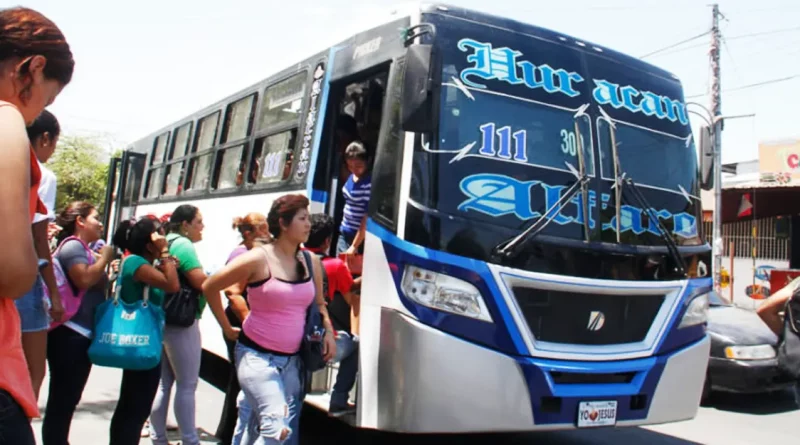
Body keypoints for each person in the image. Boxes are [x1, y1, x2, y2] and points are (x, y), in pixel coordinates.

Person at [203, 194, 336, 445]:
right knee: (277, 425)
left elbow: (319, 304)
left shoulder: (311, 261)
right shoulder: (257, 258)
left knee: (261, 429)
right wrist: (226, 326)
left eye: (308, 218)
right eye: (302, 218)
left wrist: (328, 332)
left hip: (293, 363)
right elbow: (211, 286)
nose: (309, 224)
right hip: (257, 359)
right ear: (283, 224)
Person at [0, 6, 74, 444]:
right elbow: (11, 273)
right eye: (44, 101)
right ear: (31, 68)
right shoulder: (7, 120)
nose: (34, 117)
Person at [42, 202, 114, 445]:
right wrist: (104, 259)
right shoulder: (73, 246)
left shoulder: (82, 248)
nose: (101, 223)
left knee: (66, 399)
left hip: (77, 333)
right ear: (80, 221)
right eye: (96, 217)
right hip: (70, 333)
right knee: (63, 399)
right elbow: (83, 279)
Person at [110, 217, 180, 445]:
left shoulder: (142, 263)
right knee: (135, 407)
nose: (163, 237)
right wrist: (165, 253)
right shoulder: (136, 263)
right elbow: (172, 285)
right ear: (149, 243)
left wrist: (165, 262)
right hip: (140, 344)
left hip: (145, 341)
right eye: (158, 234)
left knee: (132, 405)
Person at [16, 110, 66, 402]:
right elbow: (39, 240)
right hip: (23, 276)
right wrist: (55, 296)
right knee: (33, 370)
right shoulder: (41, 175)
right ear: (44, 138)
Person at [149, 204, 207, 445]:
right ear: (185, 225)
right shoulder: (182, 244)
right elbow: (198, 280)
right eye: (198, 222)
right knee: (187, 384)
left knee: (164, 383)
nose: (202, 227)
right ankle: (189, 440)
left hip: (162, 318)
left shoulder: (165, 242)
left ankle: (158, 437)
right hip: (181, 322)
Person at [217, 212, 270, 445]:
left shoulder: (251, 253)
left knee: (240, 380)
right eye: (263, 228)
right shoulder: (241, 255)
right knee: (240, 381)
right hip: (240, 319)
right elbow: (231, 292)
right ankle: (229, 435)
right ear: (249, 233)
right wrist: (248, 321)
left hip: (244, 319)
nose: (268, 233)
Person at [305, 213, 361, 416]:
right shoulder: (335, 265)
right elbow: (350, 296)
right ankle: (339, 400)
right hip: (319, 341)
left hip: (290, 337)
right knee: (357, 345)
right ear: (328, 240)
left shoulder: (292, 258)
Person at [338, 141, 371, 258]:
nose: (354, 170)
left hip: (357, 238)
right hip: (344, 231)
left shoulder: (368, 184)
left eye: (358, 166)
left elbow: (366, 219)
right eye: (350, 166)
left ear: (367, 162)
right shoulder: (351, 177)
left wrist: (354, 245)